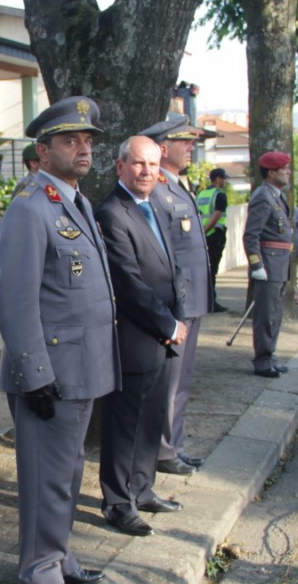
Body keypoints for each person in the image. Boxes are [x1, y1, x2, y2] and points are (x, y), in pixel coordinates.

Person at [0, 96, 119, 584]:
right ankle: (39, 566)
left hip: (83, 366)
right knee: (46, 472)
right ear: (43, 151)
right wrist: (34, 373)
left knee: (67, 471)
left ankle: (59, 552)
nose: (83, 149)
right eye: (71, 140)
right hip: (51, 371)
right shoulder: (30, 209)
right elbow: (15, 301)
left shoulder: (78, 203)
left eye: (87, 140)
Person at [96, 136, 188, 537]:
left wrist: (175, 321)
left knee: (151, 419)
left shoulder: (156, 207)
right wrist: (167, 325)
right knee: (124, 423)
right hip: (134, 336)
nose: (147, 171)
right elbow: (128, 283)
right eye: (138, 164)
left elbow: (173, 269)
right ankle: (117, 501)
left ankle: (143, 488)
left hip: (163, 335)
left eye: (153, 164)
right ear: (120, 167)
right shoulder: (112, 213)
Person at [140, 113, 210, 475]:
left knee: (182, 382)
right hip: (177, 303)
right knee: (169, 383)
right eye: (185, 141)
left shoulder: (178, 186)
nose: (191, 146)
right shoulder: (158, 192)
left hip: (192, 300)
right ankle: (164, 451)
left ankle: (175, 446)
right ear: (164, 148)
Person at [243, 151, 296, 378]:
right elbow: (251, 235)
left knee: (275, 313)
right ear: (271, 172)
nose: (288, 173)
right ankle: (263, 360)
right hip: (268, 262)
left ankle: (270, 355)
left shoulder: (276, 195)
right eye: (284, 169)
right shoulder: (263, 196)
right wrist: (257, 265)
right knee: (265, 315)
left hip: (279, 263)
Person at [196, 167, 230, 312]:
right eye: (223, 178)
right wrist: (205, 231)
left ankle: (203, 300)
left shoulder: (201, 194)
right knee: (212, 270)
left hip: (200, 236)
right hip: (214, 235)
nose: (225, 181)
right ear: (217, 179)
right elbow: (216, 216)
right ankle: (211, 302)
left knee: (204, 270)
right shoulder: (219, 195)